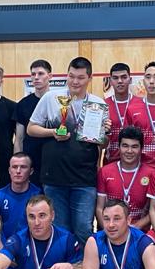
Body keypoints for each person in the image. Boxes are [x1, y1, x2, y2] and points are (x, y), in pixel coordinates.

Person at [27, 57, 109, 244]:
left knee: (83, 229)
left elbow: (103, 144)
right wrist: (52, 132)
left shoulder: (97, 104)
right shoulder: (51, 98)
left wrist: (104, 132)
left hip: (84, 178)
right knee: (60, 230)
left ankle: (86, 262)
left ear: (90, 78)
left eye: (80, 78)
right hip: (54, 177)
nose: (75, 81)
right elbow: (31, 128)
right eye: (71, 76)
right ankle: (63, 263)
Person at [96, 126, 153, 233]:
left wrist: (135, 227)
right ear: (119, 147)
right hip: (110, 230)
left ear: (141, 149)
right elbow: (99, 208)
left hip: (138, 233)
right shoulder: (105, 172)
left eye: (134, 147)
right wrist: (109, 230)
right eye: (125, 146)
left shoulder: (151, 174)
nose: (129, 151)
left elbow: (154, 210)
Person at [0, 152, 41, 252]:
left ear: (31, 171)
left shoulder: (38, 195)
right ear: (9, 170)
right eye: (14, 167)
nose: (18, 171)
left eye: (23, 167)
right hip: (6, 249)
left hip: (33, 251)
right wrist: (4, 252)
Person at [13, 59, 53, 187]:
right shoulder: (23, 104)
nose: (36, 77)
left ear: (50, 76)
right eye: (33, 74)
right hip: (31, 163)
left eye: (40, 73)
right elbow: (19, 139)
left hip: (54, 162)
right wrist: (18, 165)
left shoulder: (59, 101)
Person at [105, 63, 138, 164]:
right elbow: (98, 143)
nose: (120, 81)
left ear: (130, 80)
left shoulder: (141, 104)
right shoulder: (103, 105)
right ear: (110, 81)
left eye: (124, 77)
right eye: (115, 78)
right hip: (111, 162)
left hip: (137, 163)